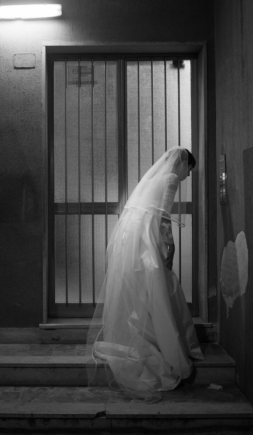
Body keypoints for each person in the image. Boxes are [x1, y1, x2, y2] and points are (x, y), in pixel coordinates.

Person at [87, 146, 205, 401]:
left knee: (152, 288)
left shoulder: (155, 179)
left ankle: (151, 335)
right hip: (149, 235)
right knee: (162, 286)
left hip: (135, 234)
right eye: (190, 169)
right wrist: (169, 244)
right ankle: (169, 346)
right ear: (183, 164)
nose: (187, 175)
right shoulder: (171, 178)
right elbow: (163, 215)